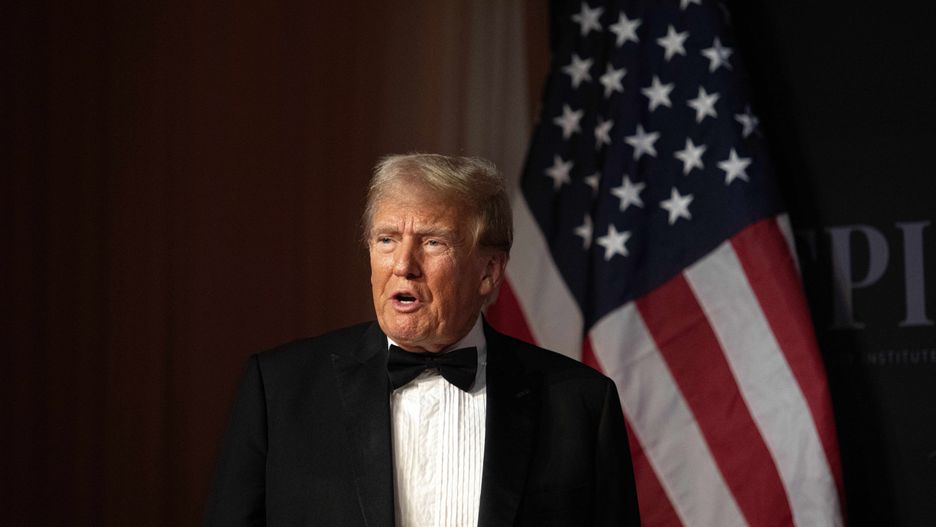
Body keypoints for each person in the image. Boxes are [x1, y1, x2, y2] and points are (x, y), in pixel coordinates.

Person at [204, 153, 641, 526]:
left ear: (489, 272)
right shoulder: (280, 390)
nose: (404, 265)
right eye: (387, 240)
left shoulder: (579, 405)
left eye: (433, 242)